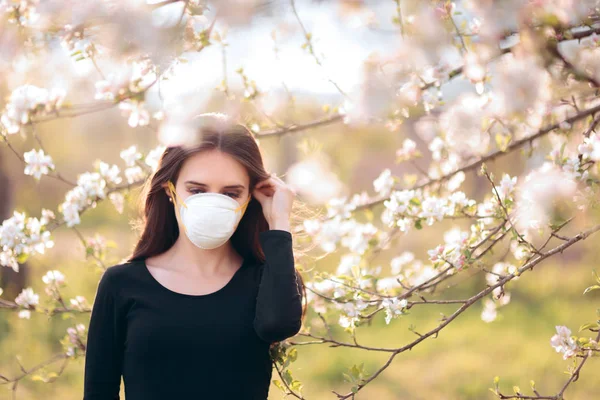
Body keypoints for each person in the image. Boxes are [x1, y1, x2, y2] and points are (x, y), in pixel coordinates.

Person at [83, 113, 307, 400]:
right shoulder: (121, 284)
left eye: (230, 193)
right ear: (170, 190)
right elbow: (98, 393)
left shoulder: (264, 280)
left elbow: (279, 324)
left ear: (250, 198)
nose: (212, 203)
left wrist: (279, 221)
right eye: (197, 190)